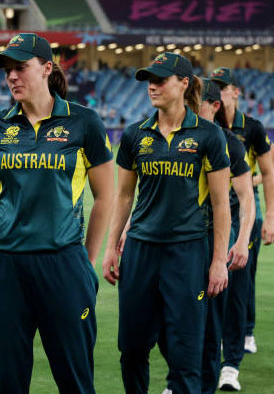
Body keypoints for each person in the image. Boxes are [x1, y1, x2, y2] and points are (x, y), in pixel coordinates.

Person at [0, 33, 114, 393]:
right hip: (5, 266)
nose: (12, 76)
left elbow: (104, 197)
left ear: (47, 68)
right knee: (9, 380)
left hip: (63, 263)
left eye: (21, 68)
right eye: (7, 70)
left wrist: (85, 263)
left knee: (75, 379)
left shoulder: (84, 123)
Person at [102, 52, 231, 393]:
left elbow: (221, 205)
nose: (152, 86)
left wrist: (218, 261)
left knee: (185, 355)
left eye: (160, 79)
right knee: (130, 349)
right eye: (149, 80)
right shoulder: (134, 136)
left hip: (187, 253)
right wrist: (111, 247)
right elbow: (124, 197)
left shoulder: (208, 136)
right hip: (140, 251)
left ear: (184, 83)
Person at [158, 78, 256, 394]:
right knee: (176, 316)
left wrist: (241, 241)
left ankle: (218, 376)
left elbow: (246, 198)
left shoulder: (230, 142)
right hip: (183, 239)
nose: (187, 110)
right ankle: (179, 380)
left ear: (213, 106)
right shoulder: (178, 138)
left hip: (220, 238)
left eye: (195, 104)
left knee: (217, 317)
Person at [209, 67, 274, 390]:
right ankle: (218, 343)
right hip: (217, 211)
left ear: (235, 92)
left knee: (242, 278)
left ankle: (244, 334)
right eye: (214, 89)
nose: (218, 94)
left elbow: (268, 171)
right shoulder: (206, 127)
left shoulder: (252, 128)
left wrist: (271, 216)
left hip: (247, 211)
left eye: (224, 88)